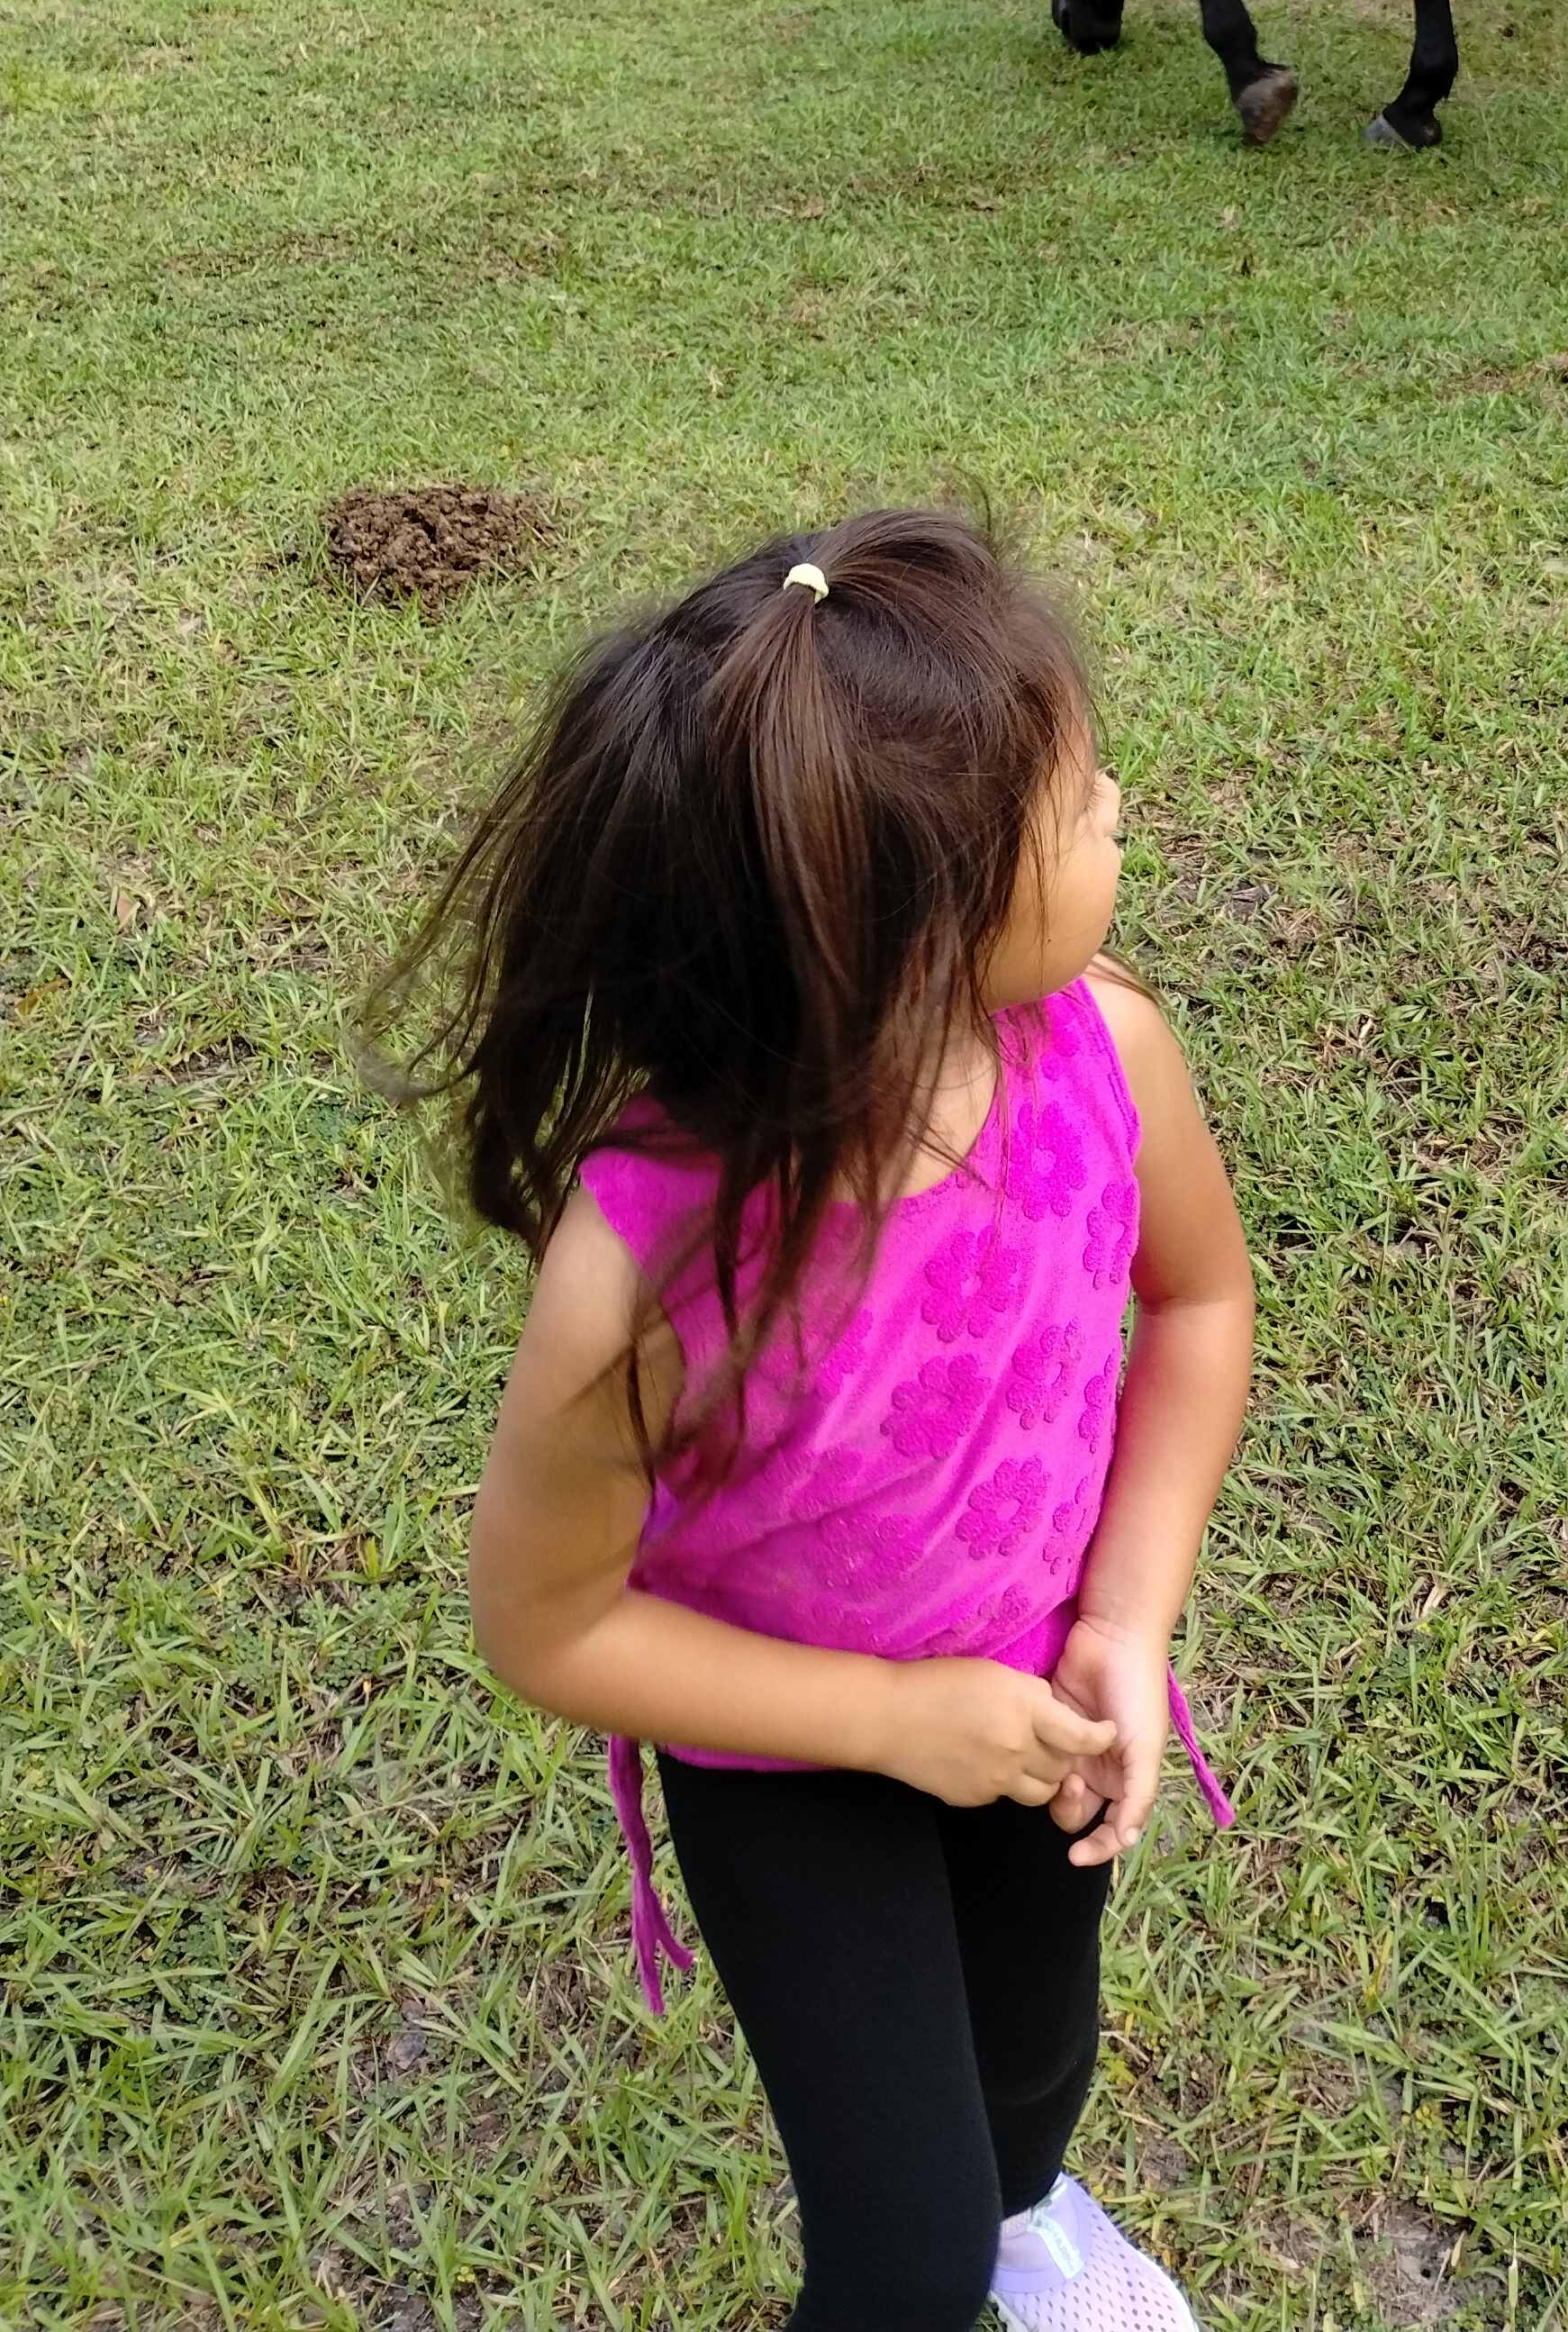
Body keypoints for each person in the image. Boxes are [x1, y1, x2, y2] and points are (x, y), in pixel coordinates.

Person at [388, 507, 1254, 2331]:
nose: (1121, 804)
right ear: (916, 920)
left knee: (1035, 2062)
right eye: (1082, 791)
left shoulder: (1112, 1047)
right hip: (788, 1757)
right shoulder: (643, 1264)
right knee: (901, 2250)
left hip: (1037, 1693)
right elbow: (545, 1620)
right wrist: (884, 1719)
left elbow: (1199, 1305)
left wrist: (1127, 1617)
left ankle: (1038, 2224)